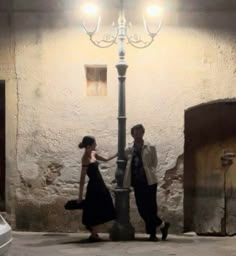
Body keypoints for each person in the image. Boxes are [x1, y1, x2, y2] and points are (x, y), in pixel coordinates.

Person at [123, 124, 170, 241]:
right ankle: (163, 224)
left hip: (149, 181)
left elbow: (154, 162)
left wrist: (149, 172)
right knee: (141, 208)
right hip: (137, 182)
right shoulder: (128, 148)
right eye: (135, 132)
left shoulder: (150, 147)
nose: (138, 134)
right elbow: (127, 164)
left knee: (151, 208)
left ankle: (152, 234)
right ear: (132, 134)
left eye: (140, 132)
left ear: (143, 133)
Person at [78, 135, 117, 242]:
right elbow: (82, 179)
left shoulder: (93, 153)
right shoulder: (85, 159)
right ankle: (93, 233)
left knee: (105, 204)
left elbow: (106, 159)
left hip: (100, 185)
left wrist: (117, 155)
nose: (96, 145)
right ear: (89, 145)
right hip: (94, 187)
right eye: (95, 143)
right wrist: (80, 197)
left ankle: (93, 233)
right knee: (94, 209)